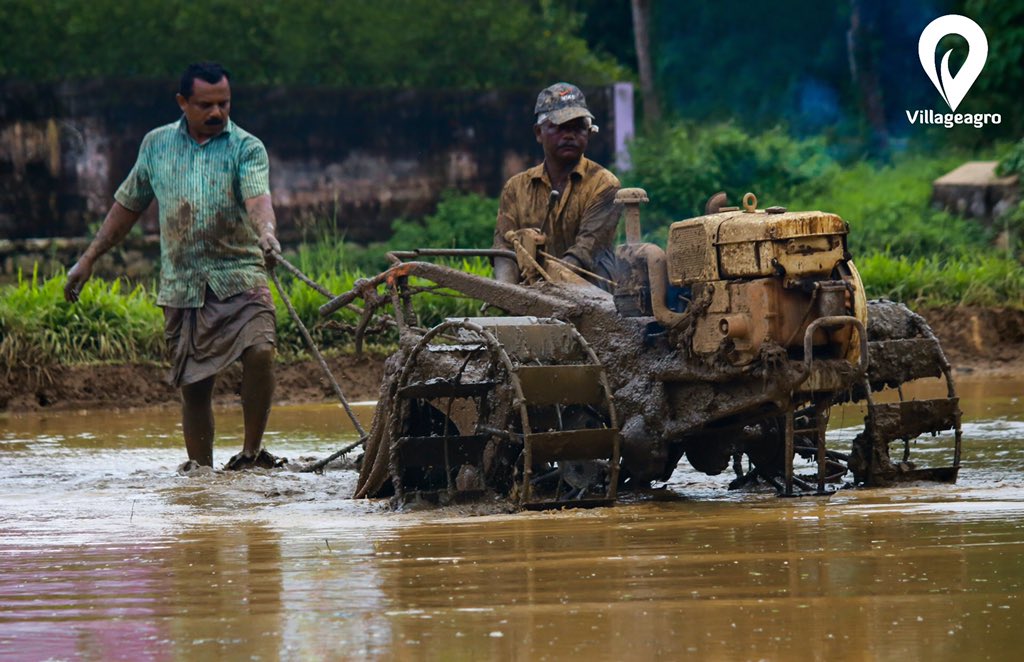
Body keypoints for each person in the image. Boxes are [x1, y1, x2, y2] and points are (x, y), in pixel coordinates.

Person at [64, 62, 284, 472]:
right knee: (195, 388)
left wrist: (266, 233)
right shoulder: (156, 145)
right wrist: (88, 258)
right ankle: (201, 473)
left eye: (224, 103)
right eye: (206, 105)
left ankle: (252, 454)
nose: (217, 113)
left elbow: (258, 198)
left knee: (261, 351)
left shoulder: (246, 147)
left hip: (240, 274)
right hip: (183, 286)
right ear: (183, 103)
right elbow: (127, 205)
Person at [492, 82, 621, 285]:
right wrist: (505, 293)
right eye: (560, 127)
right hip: (530, 300)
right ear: (538, 132)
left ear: (589, 132)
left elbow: (585, 252)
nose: (569, 135)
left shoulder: (605, 185)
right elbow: (503, 251)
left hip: (595, 302)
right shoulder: (515, 188)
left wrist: (544, 288)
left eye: (578, 128)